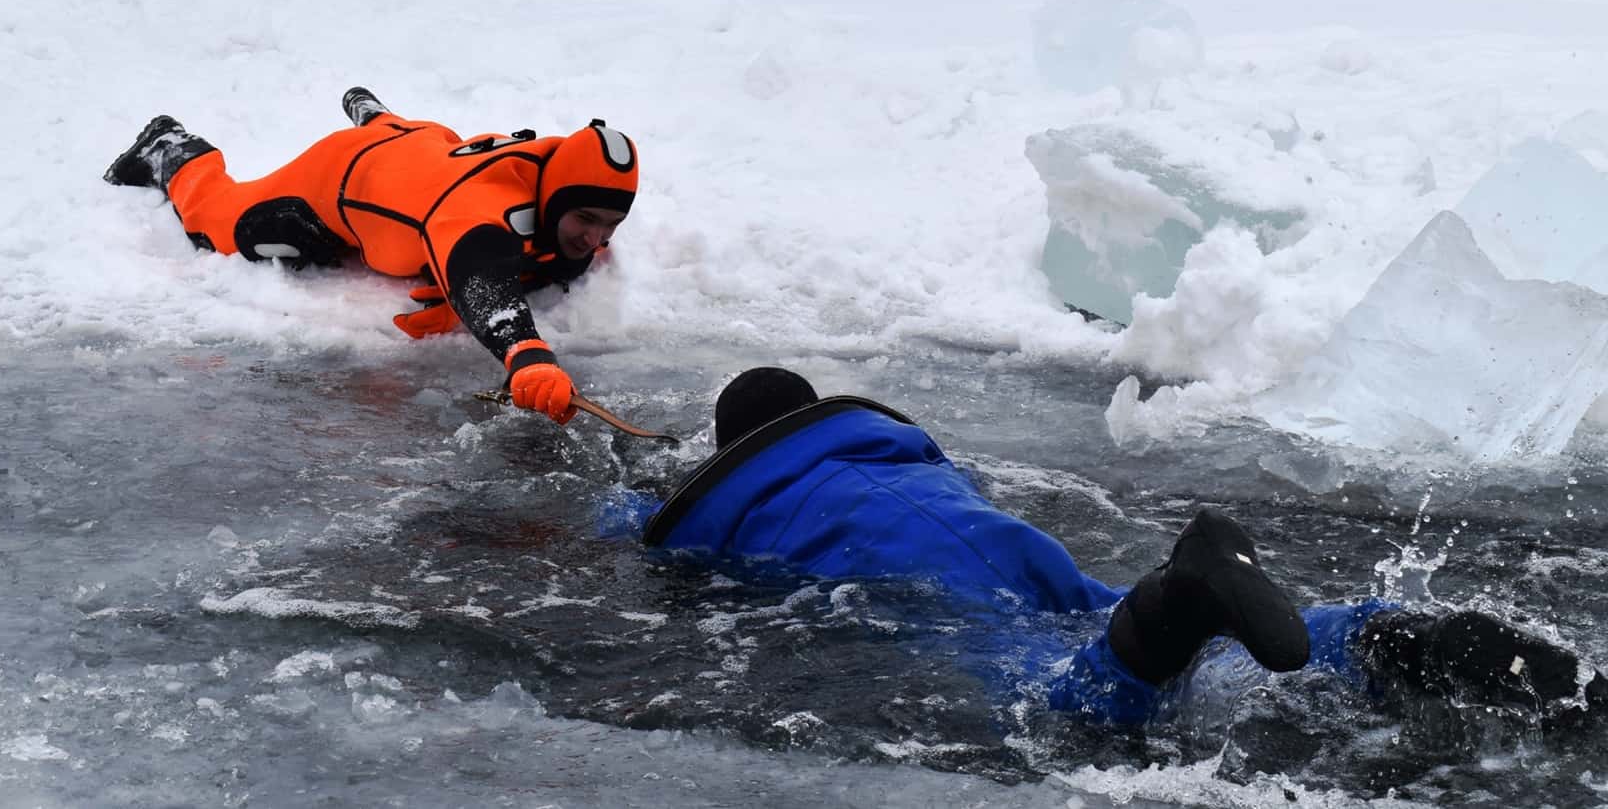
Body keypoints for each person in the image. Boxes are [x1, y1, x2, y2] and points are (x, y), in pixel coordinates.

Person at [633, 367, 1607, 726]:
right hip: (1005, 540)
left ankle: (1178, 606)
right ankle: (1382, 632)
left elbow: (641, 530)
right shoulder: (887, 446)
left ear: (730, 448)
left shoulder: (737, 502)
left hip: (910, 579)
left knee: (1048, 689)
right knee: (1084, 603)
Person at [101, 88, 638, 425]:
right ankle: (171, 148)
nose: (595, 240)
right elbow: (481, 274)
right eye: (585, 221)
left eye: (609, 226)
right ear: (556, 198)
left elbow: (535, 254)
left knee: (415, 144)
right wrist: (526, 353)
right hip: (345, 177)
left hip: (426, 146)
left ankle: (377, 115)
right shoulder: (478, 212)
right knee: (222, 227)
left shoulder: (556, 175)